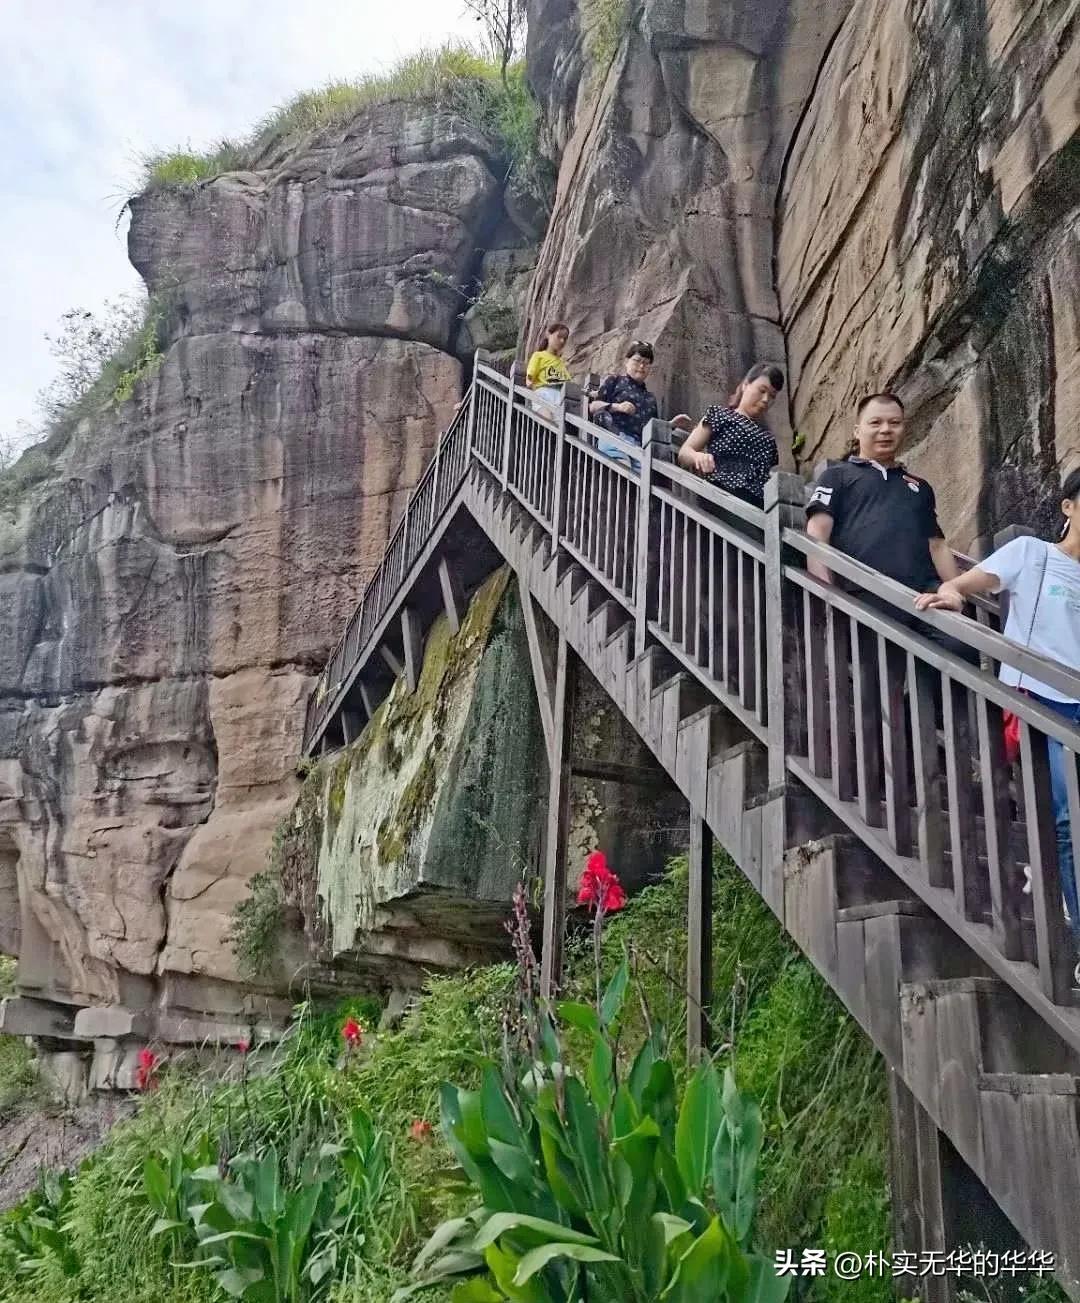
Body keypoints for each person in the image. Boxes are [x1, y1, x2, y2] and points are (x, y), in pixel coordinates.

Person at [915, 469, 1080, 956]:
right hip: (1040, 701)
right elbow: (969, 582)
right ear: (1068, 506)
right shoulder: (1032, 553)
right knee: (1069, 819)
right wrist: (953, 593)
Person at [804, 392, 962, 619]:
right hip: (865, 599)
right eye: (875, 423)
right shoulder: (836, 476)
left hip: (927, 600)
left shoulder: (920, 486)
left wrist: (955, 591)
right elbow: (817, 532)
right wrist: (825, 593)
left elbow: (937, 546)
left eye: (894, 423)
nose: (886, 430)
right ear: (857, 431)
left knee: (961, 649)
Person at [676, 363, 784, 507]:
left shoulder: (768, 439)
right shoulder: (719, 415)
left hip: (757, 509)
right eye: (762, 390)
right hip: (721, 498)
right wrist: (698, 456)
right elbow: (684, 453)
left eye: (772, 396)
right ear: (746, 385)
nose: (766, 399)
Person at [588, 340, 692, 466]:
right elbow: (593, 406)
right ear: (627, 361)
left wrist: (671, 425)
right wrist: (617, 407)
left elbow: (652, 428)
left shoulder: (650, 398)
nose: (641, 366)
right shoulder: (615, 380)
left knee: (644, 481)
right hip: (614, 437)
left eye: (646, 363)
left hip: (639, 448)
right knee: (623, 473)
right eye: (637, 361)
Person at [526, 322, 573, 413]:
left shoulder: (560, 362)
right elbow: (530, 375)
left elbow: (568, 382)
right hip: (543, 395)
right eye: (559, 337)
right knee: (548, 420)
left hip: (561, 398)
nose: (562, 341)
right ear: (548, 334)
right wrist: (529, 382)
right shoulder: (539, 355)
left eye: (565, 339)